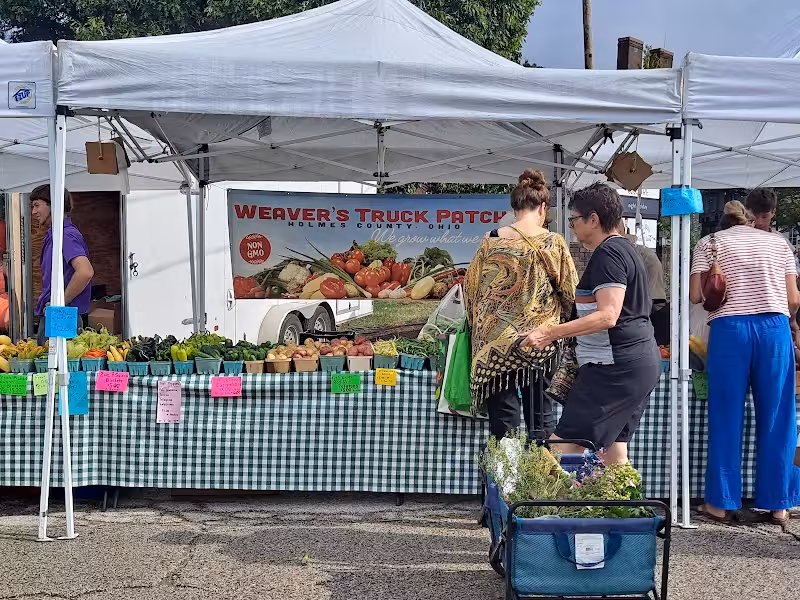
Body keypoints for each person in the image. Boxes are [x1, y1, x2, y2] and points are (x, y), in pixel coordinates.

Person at [520, 183, 660, 465]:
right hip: (636, 363)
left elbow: (609, 314)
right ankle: (622, 508)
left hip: (614, 367)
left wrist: (549, 333)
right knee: (614, 450)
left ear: (593, 219)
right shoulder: (625, 249)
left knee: (561, 446)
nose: (571, 225)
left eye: (573, 219)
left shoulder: (609, 254)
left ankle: (547, 508)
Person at [690, 200, 800, 526]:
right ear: (752, 217)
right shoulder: (779, 243)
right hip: (773, 330)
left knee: (725, 415)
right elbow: (793, 298)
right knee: (779, 417)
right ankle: (779, 504)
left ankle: (721, 504)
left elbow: (697, 296)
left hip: (730, 329)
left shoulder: (708, 244)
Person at [464, 169, 577, 440]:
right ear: (542, 207)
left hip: (494, 349)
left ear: (515, 208)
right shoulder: (553, 242)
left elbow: (470, 292)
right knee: (541, 420)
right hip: (539, 343)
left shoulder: (490, 240)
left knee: (504, 426)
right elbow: (570, 292)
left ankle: (507, 481)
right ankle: (540, 478)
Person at [31, 185, 93, 343]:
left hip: (62, 316)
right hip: (55, 315)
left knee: (57, 367)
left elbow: (85, 272)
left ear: (53, 204)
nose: (33, 212)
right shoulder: (53, 235)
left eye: (37, 205)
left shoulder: (66, 235)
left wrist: (61, 301)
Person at [616, 219, 668, 346]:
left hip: (645, 317)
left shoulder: (634, 254)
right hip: (646, 313)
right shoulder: (634, 252)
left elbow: (647, 301)